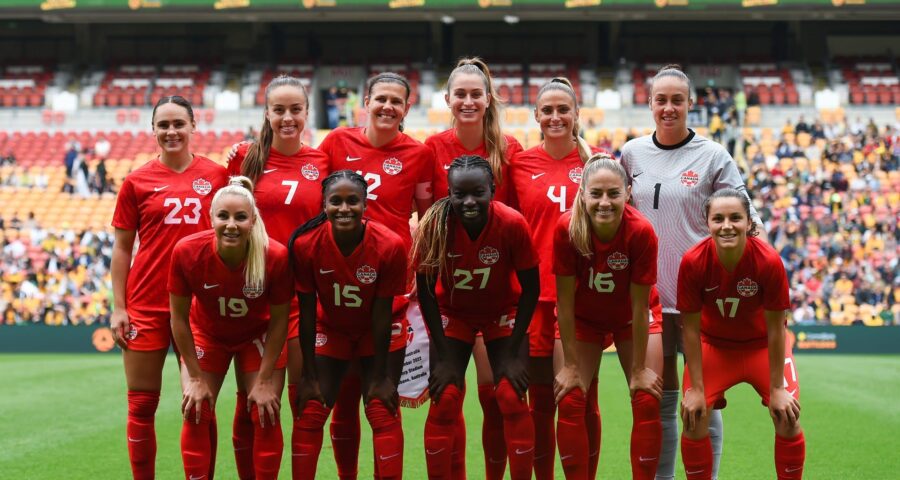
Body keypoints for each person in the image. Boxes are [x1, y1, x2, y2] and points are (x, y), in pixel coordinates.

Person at [620, 64, 761, 480]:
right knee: (660, 404)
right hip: (650, 304)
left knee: (703, 400)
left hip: (702, 303)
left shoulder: (714, 156)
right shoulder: (630, 154)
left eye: (676, 100)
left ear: (690, 104)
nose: (668, 108)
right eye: (660, 100)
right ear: (649, 104)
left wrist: (762, 276)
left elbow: (746, 218)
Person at [317, 72, 433, 479]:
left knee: (383, 401)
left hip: (391, 289)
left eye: (396, 101)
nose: (387, 107)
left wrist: (419, 273)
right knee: (344, 402)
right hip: (338, 286)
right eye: (380, 98)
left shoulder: (418, 155)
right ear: (365, 101)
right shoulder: (335, 143)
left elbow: (427, 218)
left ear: (406, 108)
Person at [110, 95, 228, 479]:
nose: (171, 131)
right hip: (147, 302)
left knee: (199, 402)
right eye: (164, 125)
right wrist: (119, 306)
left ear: (194, 127)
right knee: (141, 405)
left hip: (200, 305)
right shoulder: (136, 181)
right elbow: (123, 247)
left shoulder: (216, 176)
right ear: (153, 130)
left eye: (179, 123)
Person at [227, 74, 331, 478]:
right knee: (251, 400)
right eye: (279, 110)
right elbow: (226, 221)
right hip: (255, 294)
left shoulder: (322, 161)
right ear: (266, 114)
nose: (287, 118)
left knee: (303, 400)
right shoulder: (244, 158)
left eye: (295, 109)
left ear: (307, 112)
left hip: (305, 295)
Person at [424, 56, 524, 479]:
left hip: (498, 285)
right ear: (448, 99)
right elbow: (425, 214)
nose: (467, 100)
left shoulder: (509, 150)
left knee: (494, 396)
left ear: (488, 99)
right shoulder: (430, 148)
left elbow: (514, 220)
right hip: (447, 289)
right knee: (448, 396)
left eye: (475, 94)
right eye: (459, 94)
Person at [414, 155, 539, 480]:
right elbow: (426, 290)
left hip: (502, 312)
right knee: (444, 398)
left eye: (478, 193)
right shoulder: (436, 224)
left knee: (511, 395)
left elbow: (530, 289)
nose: (469, 202)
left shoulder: (512, 223)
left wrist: (512, 352)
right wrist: (440, 354)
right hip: (452, 314)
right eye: (460, 194)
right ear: (449, 192)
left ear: (493, 189)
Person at [507, 77, 603, 480]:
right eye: (547, 110)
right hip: (534, 298)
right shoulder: (520, 164)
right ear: (536, 116)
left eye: (564, 109)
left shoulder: (599, 163)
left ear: (577, 114)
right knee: (540, 401)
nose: (556, 116)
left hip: (582, 300)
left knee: (581, 399)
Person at [289, 170, 409, 480]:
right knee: (312, 407)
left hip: (379, 328)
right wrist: (308, 374)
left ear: (365, 205)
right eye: (336, 201)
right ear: (323, 205)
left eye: (353, 201)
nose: (344, 208)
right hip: (331, 328)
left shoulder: (389, 244)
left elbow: (382, 313)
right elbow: (304, 311)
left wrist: (382, 376)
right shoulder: (305, 245)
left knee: (382, 406)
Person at [170, 176, 291, 480]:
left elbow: (279, 322)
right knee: (195, 408)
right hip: (208, 334)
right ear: (210, 218)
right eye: (223, 216)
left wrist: (264, 380)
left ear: (253, 220)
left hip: (257, 335)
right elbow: (179, 319)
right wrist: (195, 378)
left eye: (240, 217)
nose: (231, 225)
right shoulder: (187, 251)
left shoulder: (273, 255)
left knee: (265, 411)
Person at [678, 189, 805, 480]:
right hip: (714, 347)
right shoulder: (693, 262)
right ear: (706, 223)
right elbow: (691, 329)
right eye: (718, 218)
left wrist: (776, 389)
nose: (726, 225)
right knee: (693, 417)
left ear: (749, 222)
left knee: (787, 415)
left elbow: (776, 329)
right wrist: (696, 389)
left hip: (762, 347)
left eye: (735, 218)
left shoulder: (769, 261)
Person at [553, 154, 664, 479]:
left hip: (632, 318)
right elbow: (565, 301)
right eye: (596, 193)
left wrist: (640, 369)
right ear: (583, 193)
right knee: (571, 398)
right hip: (584, 318)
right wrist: (571, 365)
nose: (604, 202)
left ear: (628, 193)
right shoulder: (567, 229)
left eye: (613, 193)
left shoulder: (641, 231)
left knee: (646, 397)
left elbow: (640, 307)